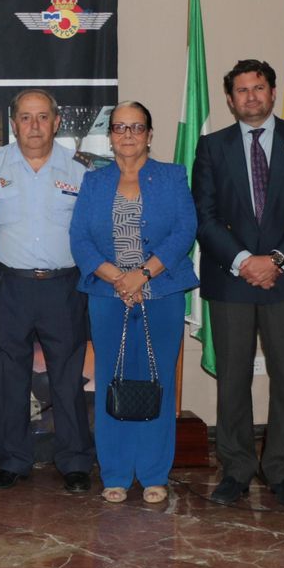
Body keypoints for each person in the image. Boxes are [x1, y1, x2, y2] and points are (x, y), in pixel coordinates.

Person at [192, 58, 284, 508]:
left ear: (272, 92)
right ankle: (236, 469)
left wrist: (278, 260)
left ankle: (283, 471)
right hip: (232, 280)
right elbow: (203, 217)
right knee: (232, 379)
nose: (252, 96)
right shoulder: (211, 147)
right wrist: (246, 261)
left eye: (259, 87)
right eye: (242, 90)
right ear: (230, 100)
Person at [71, 101, 199, 503]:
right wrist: (117, 279)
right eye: (119, 127)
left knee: (157, 380)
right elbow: (80, 239)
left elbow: (185, 230)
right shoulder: (94, 181)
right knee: (111, 379)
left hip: (160, 292)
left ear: (149, 134)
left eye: (136, 127)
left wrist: (142, 275)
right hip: (108, 296)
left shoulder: (172, 176)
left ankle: (154, 474)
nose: (127, 135)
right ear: (109, 135)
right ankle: (115, 473)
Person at [0, 90, 96, 494]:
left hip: (63, 287)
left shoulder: (82, 172)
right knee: (6, 378)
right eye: (26, 118)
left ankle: (74, 462)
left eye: (42, 117)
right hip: (9, 284)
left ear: (57, 122)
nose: (34, 126)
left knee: (67, 380)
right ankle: (12, 460)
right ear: (14, 123)